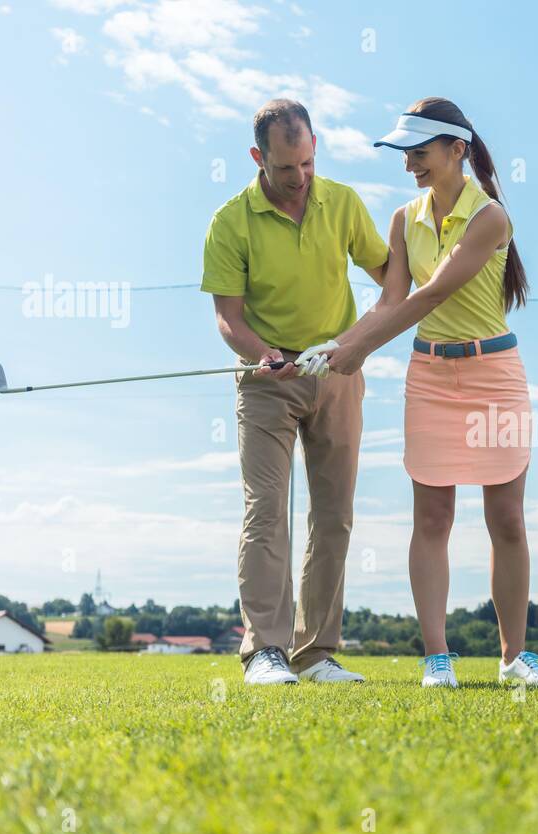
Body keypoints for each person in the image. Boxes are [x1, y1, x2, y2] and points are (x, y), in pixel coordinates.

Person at [309, 98, 538, 690]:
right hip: (428, 378)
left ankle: (513, 657)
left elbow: (431, 296)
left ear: (458, 150)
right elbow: (391, 300)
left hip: (494, 375)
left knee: (506, 518)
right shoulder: (403, 219)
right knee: (432, 517)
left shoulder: (491, 218)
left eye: (419, 154)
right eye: (405, 155)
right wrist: (334, 347)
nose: (410, 166)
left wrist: (360, 352)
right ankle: (436, 658)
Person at [201, 99, 389, 685]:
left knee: (334, 517)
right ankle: (266, 652)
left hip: (338, 373)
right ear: (259, 158)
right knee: (267, 512)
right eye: (287, 167)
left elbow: (393, 279)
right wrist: (262, 354)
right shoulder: (231, 221)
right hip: (267, 381)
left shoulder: (344, 203)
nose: (301, 177)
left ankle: (316, 655)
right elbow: (228, 318)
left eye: (308, 162)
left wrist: (354, 342)